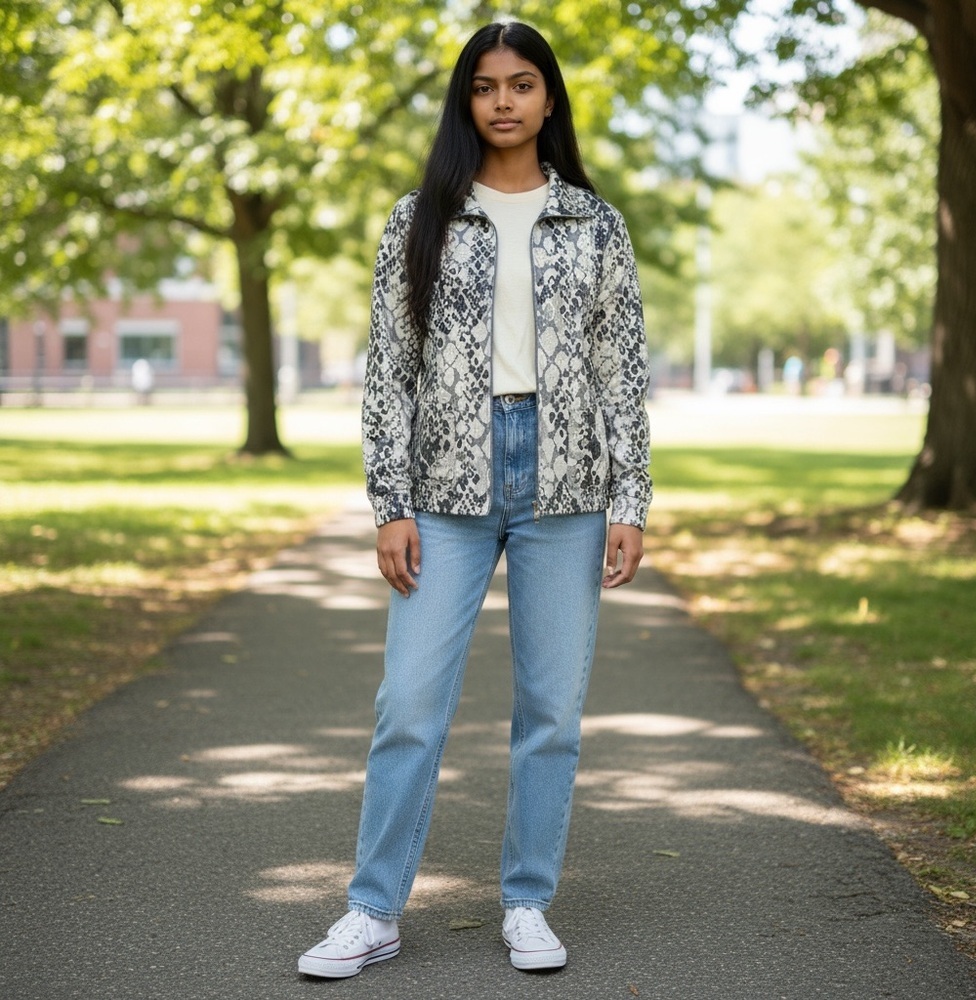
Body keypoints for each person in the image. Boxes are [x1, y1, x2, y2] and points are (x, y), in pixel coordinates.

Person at [298, 20, 651, 979]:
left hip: (567, 484)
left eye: (523, 83)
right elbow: (389, 376)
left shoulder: (595, 224)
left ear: (549, 99)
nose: (504, 101)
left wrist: (631, 501)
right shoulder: (419, 219)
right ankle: (371, 909)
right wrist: (388, 502)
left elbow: (622, 370)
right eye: (485, 86)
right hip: (446, 486)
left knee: (552, 711)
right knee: (409, 702)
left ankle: (528, 901)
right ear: (466, 102)